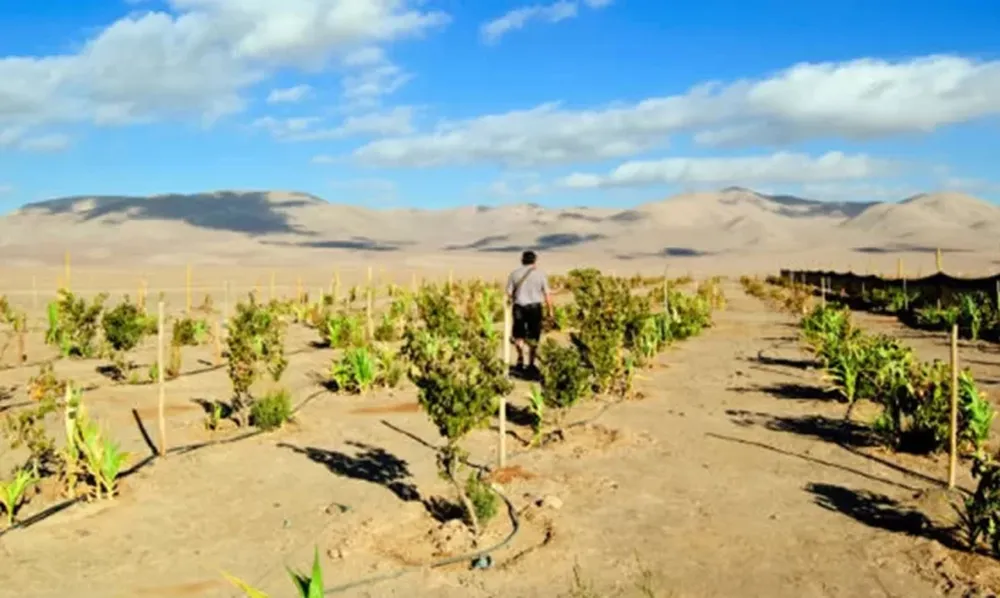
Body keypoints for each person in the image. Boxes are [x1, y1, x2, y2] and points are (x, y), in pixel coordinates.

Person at [505, 250, 553, 377]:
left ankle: (520, 359)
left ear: (522, 260)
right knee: (534, 335)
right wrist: (550, 311)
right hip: (534, 308)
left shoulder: (514, 274)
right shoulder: (541, 275)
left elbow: (508, 293)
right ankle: (531, 363)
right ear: (535, 261)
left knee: (518, 334)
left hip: (519, 307)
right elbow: (547, 294)